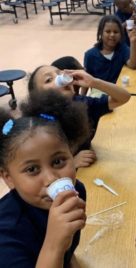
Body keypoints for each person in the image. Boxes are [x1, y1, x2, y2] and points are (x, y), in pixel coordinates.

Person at [0, 90, 88, 267]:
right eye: (32, 169)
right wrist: (54, 245)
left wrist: (66, 254)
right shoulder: (6, 235)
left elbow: (69, 249)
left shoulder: (77, 190)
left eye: (58, 161)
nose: (51, 179)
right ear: (8, 178)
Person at [28, 65, 131, 169]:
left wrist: (94, 82)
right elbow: (38, 166)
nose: (59, 78)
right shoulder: (39, 124)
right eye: (49, 79)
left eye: (59, 73)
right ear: (38, 96)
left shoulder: (81, 103)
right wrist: (71, 162)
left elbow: (124, 97)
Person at [84, 15, 136, 96]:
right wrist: (82, 98)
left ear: (121, 34)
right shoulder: (90, 55)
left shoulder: (122, 49)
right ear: (100, 33)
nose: (112, 35)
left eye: (116, 32)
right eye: (108, 31)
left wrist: (133, 41)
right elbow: (86, 79)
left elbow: (134, 64)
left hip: (117, 92)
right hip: (99, 95)